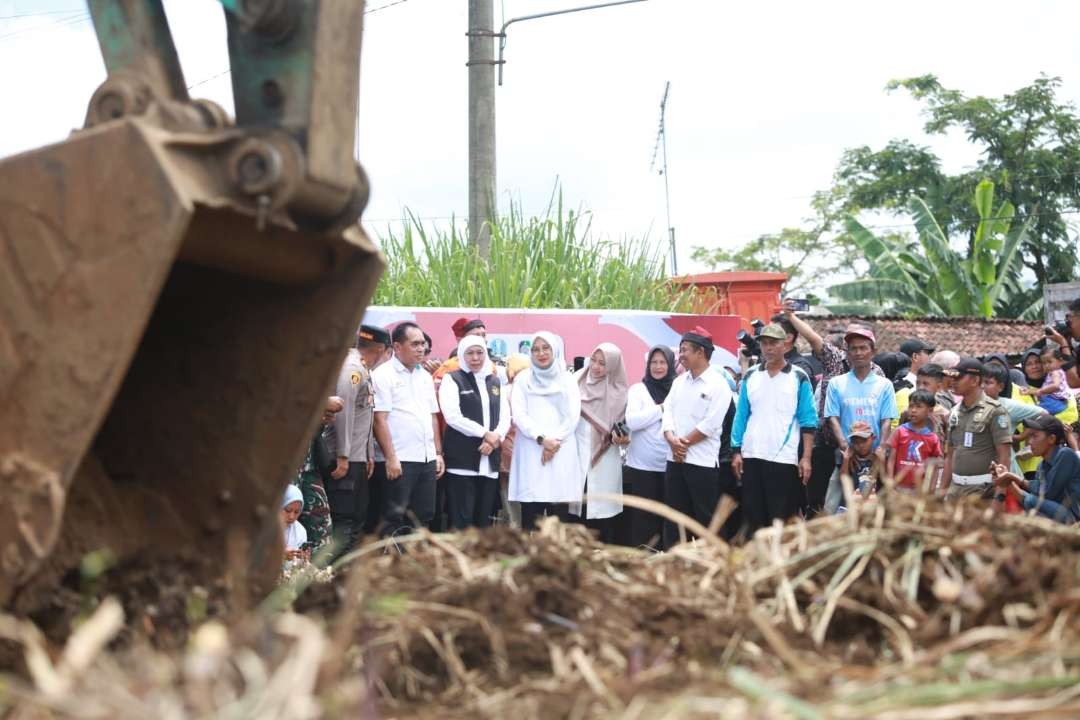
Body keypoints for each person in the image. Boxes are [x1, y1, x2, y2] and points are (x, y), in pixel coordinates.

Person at [777, 307, 887, 516]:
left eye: (861, 343)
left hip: (865, 451)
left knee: (860, 503)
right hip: (827, 445)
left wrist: (876, 447)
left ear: (871, 348)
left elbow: (883, 416)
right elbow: (813, 338)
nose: (856, 349)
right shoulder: (834, 359)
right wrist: (791, 316)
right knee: (819, 503)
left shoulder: (878, 374)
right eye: (850, 342)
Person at [730, 323, 818, 534]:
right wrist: (736, 450)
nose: (768, 348)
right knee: (754, 519)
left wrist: (806, 458)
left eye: (773, 343)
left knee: (781, 520)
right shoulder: (750, 376)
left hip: (783, 458)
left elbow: (808, 421)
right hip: (752, 455)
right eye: (764, 344)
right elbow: (741, 416)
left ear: (785, 344)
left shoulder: (798, 377)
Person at [372, 322, 445, 538]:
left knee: (423, 515)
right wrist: (391, 458)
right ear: (397, 347)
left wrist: (438, 453)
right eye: (415, 344)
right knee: (395, 517)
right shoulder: (383, 375)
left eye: (423, 344)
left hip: (426, 458)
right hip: (400, 460)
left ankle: (416, 565)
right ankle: (395, 567)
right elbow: (379, 420)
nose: (421, 349)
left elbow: (432, 416)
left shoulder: (424, 376)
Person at [661, 327, 733, 547]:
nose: (680, 355)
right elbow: (668, 412)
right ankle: (674, 561)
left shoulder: (718, 384)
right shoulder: (678, 382)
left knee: (705, 518)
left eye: (684, 350)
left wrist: (682, 444)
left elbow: (711, 424)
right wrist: (672, 440)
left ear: (700, 352)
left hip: (701, 462)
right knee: (674, 517)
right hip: (675, 460)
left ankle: (712, 563)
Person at [324, 324, 389, 556]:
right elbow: (344, 411)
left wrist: (369, 453)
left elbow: (364, 416)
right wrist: (343, 455)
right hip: (345, 460)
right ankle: (334, 579)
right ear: (382, 350)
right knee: (346, 523)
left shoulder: (361, 368)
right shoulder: (353, 368)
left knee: (357, 519)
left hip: (357, 458)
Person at [509, 332, 583, 529]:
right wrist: (542, 439)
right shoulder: (523, 380)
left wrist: (553, 442)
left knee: (558, 515)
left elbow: (573, 416)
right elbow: (519, 415)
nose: (541, 353)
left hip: (561, 450)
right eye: (535, 349)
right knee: (530, 514)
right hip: (531, 450)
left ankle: (556, 559)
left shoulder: (568, 380)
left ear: (555, 350)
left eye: (545, 348)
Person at [822, 325, 898, 514]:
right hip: (847, 457)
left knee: (879, 509)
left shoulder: (884, 385)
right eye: (853, 348)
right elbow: (832, 417)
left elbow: (886, 419)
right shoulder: (836, 383)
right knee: (833, 509)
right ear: (847, 353)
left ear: (873, 351)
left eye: (863, 348)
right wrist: (846, 447)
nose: (858, 353)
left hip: (875, 459)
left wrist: (880, 448)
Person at [439, 335, 511, 529]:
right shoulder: (452, 379)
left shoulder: (495, 382)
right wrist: (484, 433)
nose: (475, 358)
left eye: (480, 352)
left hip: (489, 462)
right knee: (462, 521)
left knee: (484, 522)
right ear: (462, 355)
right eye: (470, 353)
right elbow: (453, 417)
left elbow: (505, 416)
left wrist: (495, 438)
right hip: (462, 460)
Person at [572, 343, 630, 543]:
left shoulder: (620, 392)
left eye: (603, 364)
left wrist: (621, 436)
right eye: (594, 360)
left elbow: (624, 427)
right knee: (577, 507)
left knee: (602, 509)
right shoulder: (576, 381)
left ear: (613, 367)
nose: (596, 367)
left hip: (605, 458)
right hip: (577, 455)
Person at [622, 345, 675, 548]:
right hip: (642, 466)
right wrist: (661, 408)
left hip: (671, 463)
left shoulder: (677, 388)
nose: (658, 366)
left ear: (670, 364)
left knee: (668, 517)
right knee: (644, 518)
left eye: (663, 362)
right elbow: (632, 421)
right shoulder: (638, 389)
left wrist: (650, 415)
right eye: (654, 362)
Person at [940, 358, 1011, 500]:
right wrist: (941, 492)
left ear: (974, 381)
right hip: (955, 490)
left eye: (958, 378)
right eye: (952, 378)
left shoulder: (995, 411)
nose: (953, 382)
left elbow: (1005, 456)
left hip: (982, 491)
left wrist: (1000, 495)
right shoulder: (955, 412)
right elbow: (950, 456)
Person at [991, 414, 1080, 523]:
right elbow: (1029, 501)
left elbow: (1047, 493)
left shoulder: (1066, 455)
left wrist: (1015, 478)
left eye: (1035, 436)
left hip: (1073, 519)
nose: (1029, 442)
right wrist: (1007, 479)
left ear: (1051, 439)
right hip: (1058, 517)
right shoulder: (1042, 465)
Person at [293, 395, 344, 554]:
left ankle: (318, 574)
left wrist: (323, 416)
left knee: (321, 524)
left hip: (309, 463)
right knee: (284, 518)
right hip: (286, 462)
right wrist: (320, 402)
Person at [982, 362, 1047, 476]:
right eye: (980, 382)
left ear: (1001, 386)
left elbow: (1043, 414)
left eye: (988, 382)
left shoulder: (1007, 405)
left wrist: (1022, 436)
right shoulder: (973, 406)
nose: (983, 386)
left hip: (1006, 470)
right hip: (980, 471)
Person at [887, 390, 943, 492]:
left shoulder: (933, 438)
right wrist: (890, 482)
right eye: (911, 406)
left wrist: (931, 489)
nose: (913, 410)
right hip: (899, 488)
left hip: (921, 490)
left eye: (918, 407)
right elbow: (891, 459)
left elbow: (935, 466)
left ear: (929, 411)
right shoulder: (899, 432)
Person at [768, 312, 821, 389]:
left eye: (772, 332)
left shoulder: (800, 366)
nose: (767, 336)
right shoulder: (765, 361)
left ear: (788, 338)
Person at [839, 421, 882, 505]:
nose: (860, 445)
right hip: (852, 503)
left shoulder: (877, 458)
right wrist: (846, 460)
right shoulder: (849, 459)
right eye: (856, 442)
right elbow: (843, 480)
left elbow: (885, 481)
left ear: (873, 438)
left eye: (864, 440)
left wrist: (881, 461)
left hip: (873, 503)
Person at [1021, 345, 1071, 414]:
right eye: (1029, 364)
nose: (1034, 367)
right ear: (1024, 369)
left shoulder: (1065, 381)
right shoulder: (1021, 388)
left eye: (1038, 362)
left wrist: (1039, 391)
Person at [281, 484, 308, 561]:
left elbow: (297, 565)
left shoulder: (300, 531)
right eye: (288, 510)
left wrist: (304, 559)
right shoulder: (263, 525)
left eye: (296, 512)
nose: (291, 517)